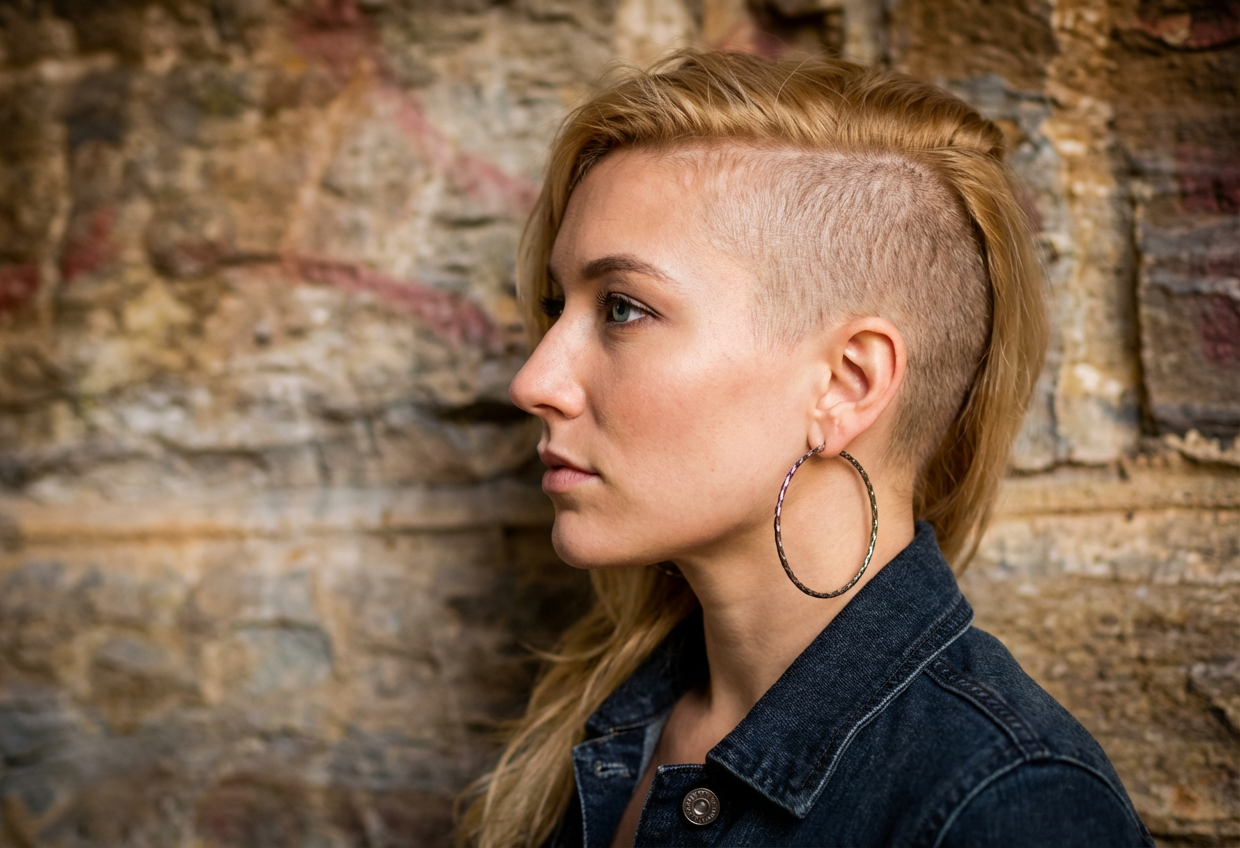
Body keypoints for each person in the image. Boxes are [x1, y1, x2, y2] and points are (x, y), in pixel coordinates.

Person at [458, 50, 1153, 847]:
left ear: (846, 385)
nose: (534, 378)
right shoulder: (612, 722)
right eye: (558, 306)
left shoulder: (1006, 805)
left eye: (622, 307)